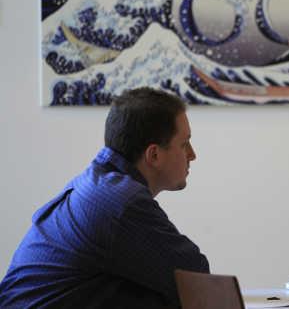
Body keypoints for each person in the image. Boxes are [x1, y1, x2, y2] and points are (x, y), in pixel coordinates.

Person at [0, 87, 209, 308]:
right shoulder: (121, 203)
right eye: (184, 143)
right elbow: (198, 281)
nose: (192, 155)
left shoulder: (97, 185)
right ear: (154, 155)